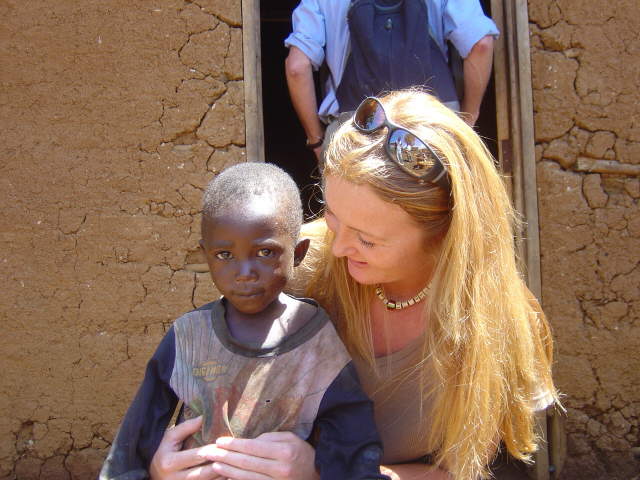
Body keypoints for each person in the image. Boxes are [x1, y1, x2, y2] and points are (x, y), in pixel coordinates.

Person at [148, 90, 558, 480]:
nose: (339, 247)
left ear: (445, 236)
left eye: (367, 239)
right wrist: (174, 461)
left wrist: (325, 473)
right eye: (332, 216)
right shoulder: (298, 269)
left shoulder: (500, 326)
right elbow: (214, 408)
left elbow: (460, 470)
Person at [99, 163, 389, 480]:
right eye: (225, 255)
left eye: (265, 252)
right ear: (205, 255)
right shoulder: (189, 337)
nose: (245, 272)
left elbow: (353, 440)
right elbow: (132, 446)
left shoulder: (317, 341)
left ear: (298, 253)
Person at [284, 0, 498, 161]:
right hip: (431, 123)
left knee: (356, 217)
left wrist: (316, 140)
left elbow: (297, 67)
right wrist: (468, 120)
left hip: (358, 125)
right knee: (438, 215)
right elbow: (481, 44)